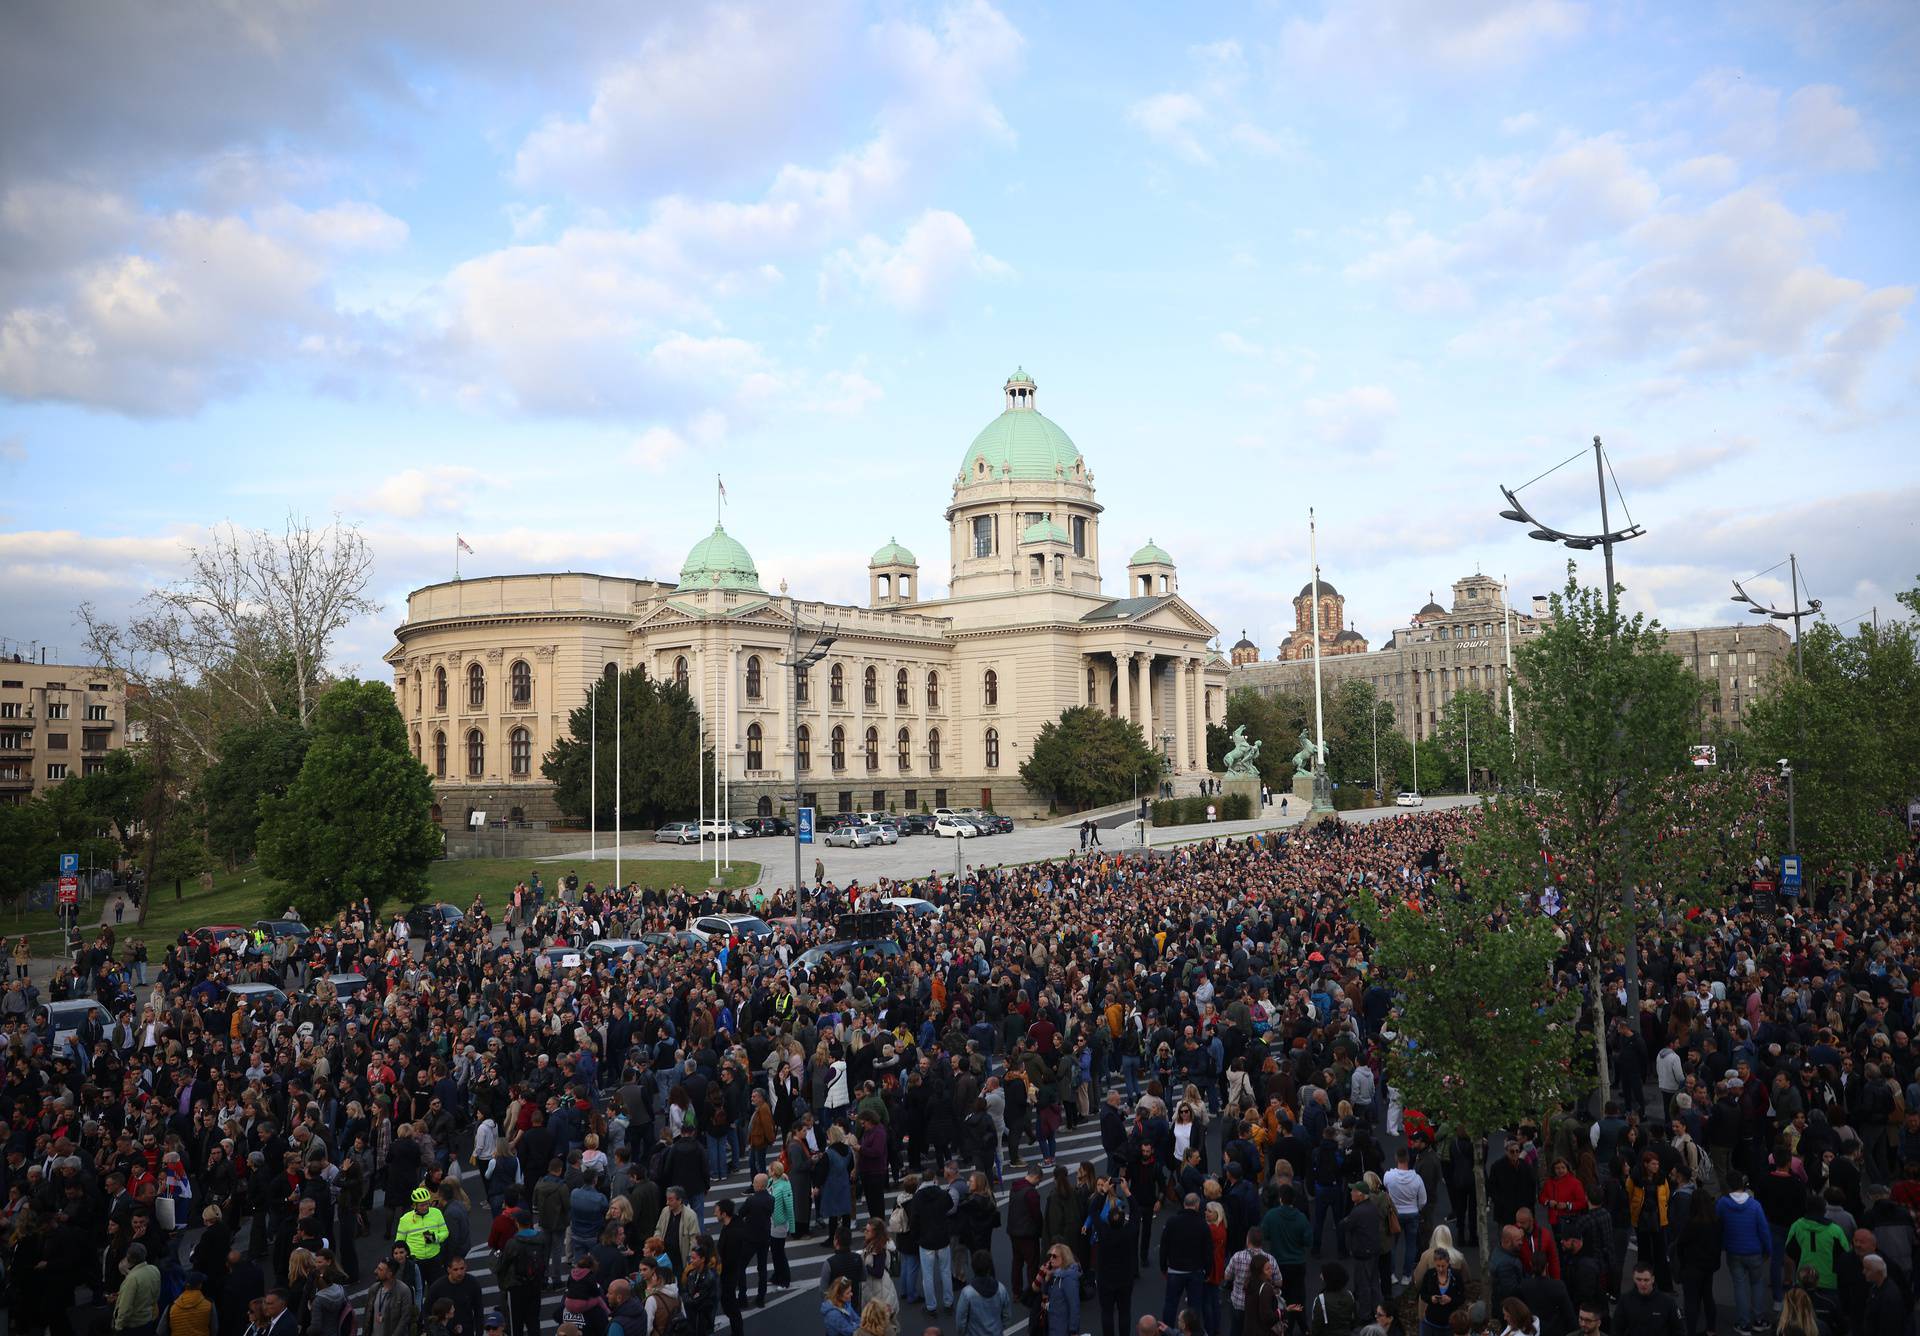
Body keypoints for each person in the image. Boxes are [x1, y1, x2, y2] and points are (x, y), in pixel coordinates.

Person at [397, 1185, 449, 1287]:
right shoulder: (405, 1219)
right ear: (414, 1205)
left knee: (436, 1287)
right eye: (421, 1205)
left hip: (434, 1258)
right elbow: (399, 1242)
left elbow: (445, 1232)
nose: (425, 1207)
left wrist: (434, 1238)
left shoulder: (437, 1213)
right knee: (418, 1289)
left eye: (426, 1204)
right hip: (416, 1260)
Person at [1612, 1265, 1684, 1336]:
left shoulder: (1668, 1302)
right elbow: (1616, 1329)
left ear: (1653, 1279)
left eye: (1646, 1280)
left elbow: (1679, 1330)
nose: (1642, 1284)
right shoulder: (1625, 1301)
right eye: (1639, 1279)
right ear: (1634, 1279)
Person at [954, 1252, 1013, 1336]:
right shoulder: (1001, 1289)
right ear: (989, 1268)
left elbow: (960, 1322)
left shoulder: (967, 1293)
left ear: (973, 1268)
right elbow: (1007, 1317)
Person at [1309, 1262, 1358, 1336]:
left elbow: (1316, 1327)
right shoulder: (1350, 1296)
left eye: (1322, 1274)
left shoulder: (1320, 1300)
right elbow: (1353, 1320)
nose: (1320, 1276)